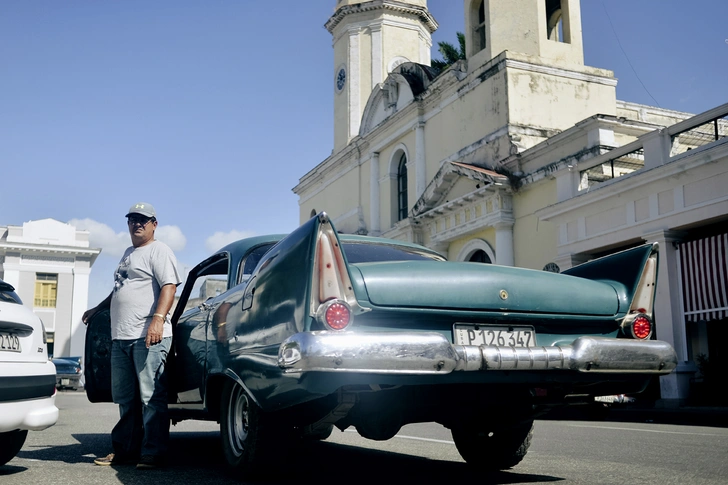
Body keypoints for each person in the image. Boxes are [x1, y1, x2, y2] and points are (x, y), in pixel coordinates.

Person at [83, 202, 182, 469]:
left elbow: (169, 287)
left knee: (151, 397)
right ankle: (126, 451)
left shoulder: (159, 250)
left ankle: (154, 453)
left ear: (154, 225)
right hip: (121, 337)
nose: (137, 224)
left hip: (147, 335)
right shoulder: (128, 253)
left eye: (143, 219)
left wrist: (158, 321)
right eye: (132, 219)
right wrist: (97, 309)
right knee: (125, 399)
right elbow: (120, 289)